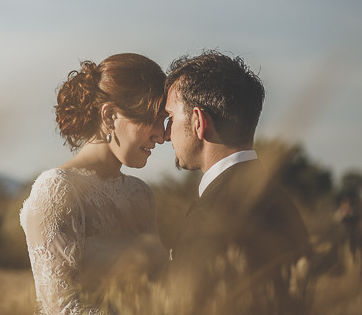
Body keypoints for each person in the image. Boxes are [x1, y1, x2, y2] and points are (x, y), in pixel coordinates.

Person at [164, 50, 311, 314]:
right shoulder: (283, 204)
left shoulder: (211, 217)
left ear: (198, 122)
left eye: (171, 118)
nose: (166, 134)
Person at [20, 53, 168, 315]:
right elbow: (62, 307)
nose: (161, 135)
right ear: (110, 116)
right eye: (150, 119)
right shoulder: (57, 189)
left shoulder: (140, 194)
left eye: (163, 121)